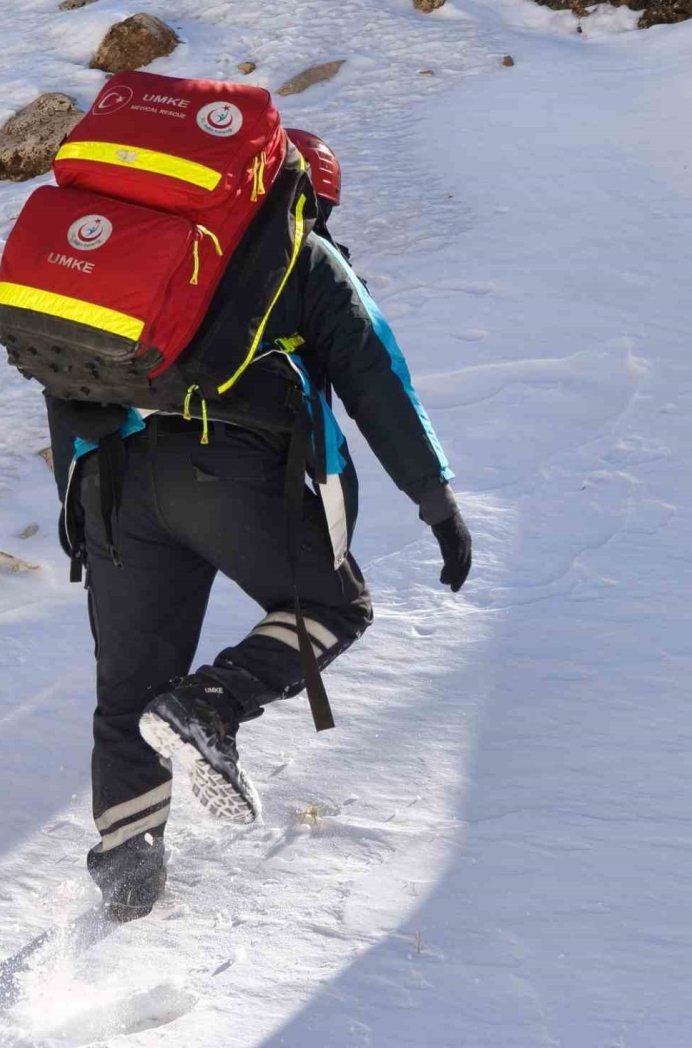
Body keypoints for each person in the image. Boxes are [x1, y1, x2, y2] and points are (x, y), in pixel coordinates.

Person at [45, 129, 472, 923]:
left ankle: (128, 897)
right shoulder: (298, 254)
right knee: (336, 606)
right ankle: (213, 704)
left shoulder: (133, 265)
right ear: (303, 194)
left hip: (111, 482)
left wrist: (81, 508)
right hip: (226, 469)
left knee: (127, 694)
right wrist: (433, 494)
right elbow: (374, 371)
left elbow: (65, 374)